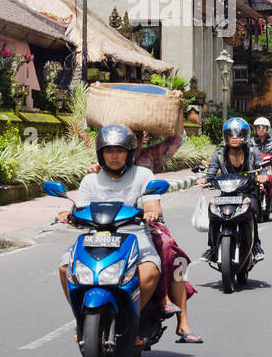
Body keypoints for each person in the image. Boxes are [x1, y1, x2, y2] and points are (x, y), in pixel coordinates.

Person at [57, 125, 202, 342]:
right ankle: (81, 320)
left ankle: (133, 321)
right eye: (109, 151)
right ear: (101, 153)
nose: (114, 156)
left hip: (134, 233)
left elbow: (152, 203)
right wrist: (68, 214)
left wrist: (151, 211)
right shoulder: (90, 179)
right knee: (65, 267)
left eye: (120, 151)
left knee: (155, 268)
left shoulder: (143, 174)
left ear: (130, 152)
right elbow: (80, 208)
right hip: (97, 234)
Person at [199, 118, 267, 262]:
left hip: (248, 192)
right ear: (226, 136)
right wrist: (205, 179)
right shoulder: (219, 155)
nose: (235, 137)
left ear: (244, 136)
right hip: (227, 193)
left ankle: (255, 246)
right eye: (231, 134)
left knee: (252, 211)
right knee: (213, 213)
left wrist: (262, 177)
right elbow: (211, 173)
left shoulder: (253, 152)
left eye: (238, 134)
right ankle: (212, 249)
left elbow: (262, 169)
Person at [250, 117, 272, 210]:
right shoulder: (250, 142)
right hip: (254, 167)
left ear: (267, 129)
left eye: (263, 127)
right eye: (258, 127)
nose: (260, 129)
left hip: (269, 166)